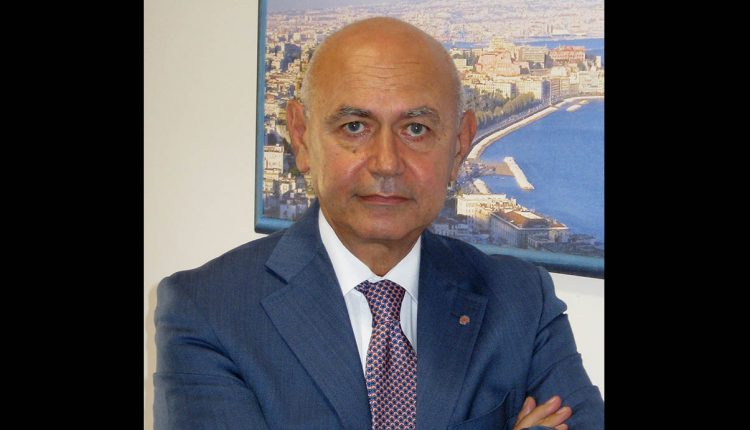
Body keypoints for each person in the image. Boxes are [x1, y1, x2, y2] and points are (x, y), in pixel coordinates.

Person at [154, 17, 603, 430]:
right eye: (355, 126)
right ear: (302, 138)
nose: (386, 163)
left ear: (459, 145)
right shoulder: (210, 312)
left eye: (416, 129)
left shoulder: (521, 301)